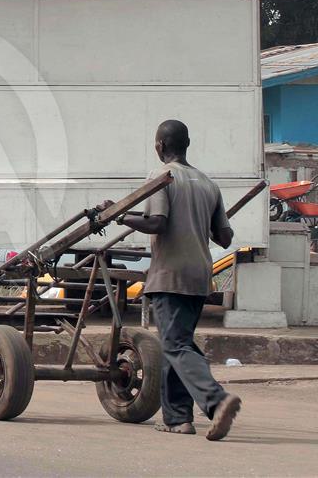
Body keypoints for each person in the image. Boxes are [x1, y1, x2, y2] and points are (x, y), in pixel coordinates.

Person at [101, 119, 240, 441]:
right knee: (176, 345)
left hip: (170, 275)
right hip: (200, 274)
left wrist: (120, 215)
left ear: (160, 146)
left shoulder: (162, 178)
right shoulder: (208, 184)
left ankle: (216, 400)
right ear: (187, 145)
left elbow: (156, 223)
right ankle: (178, 418)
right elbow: (225, 237)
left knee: (175, 345)